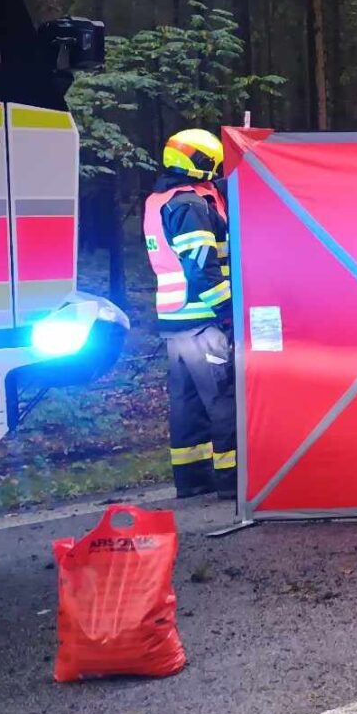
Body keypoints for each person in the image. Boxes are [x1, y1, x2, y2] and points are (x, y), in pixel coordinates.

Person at [143, 129, 237, 499]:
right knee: (222, 397)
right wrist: (227, 311)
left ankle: (192, 477)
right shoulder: (191, 205)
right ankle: (233, 479)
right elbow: (201, 266)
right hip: (204, 320)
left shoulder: (160, 200)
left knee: (187, 402)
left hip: (175, 320)